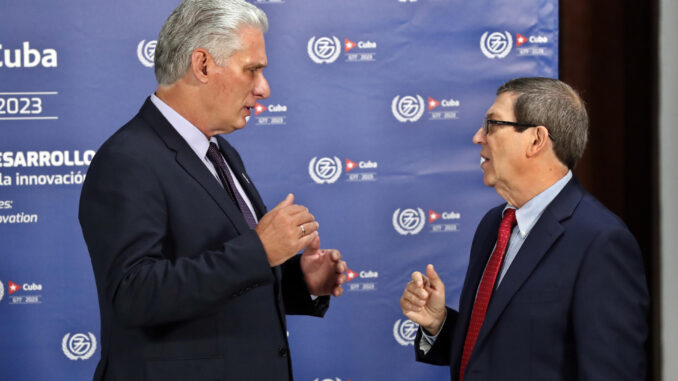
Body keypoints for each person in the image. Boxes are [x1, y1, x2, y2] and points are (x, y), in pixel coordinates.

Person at [78, 1, 346, 380]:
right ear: (202, 64)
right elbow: (132, 294)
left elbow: (229, 282)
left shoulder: (221, 152)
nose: (264, 89)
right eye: (252, 70)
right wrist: (259, 249)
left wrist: (300, 283)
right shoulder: (127, 159)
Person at [399, 77, 648, 381]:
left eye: (492, 124)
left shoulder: (600, 241)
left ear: (536, 140)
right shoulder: (494, 224)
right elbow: (502, 348)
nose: (479, 137)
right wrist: (438, 324)